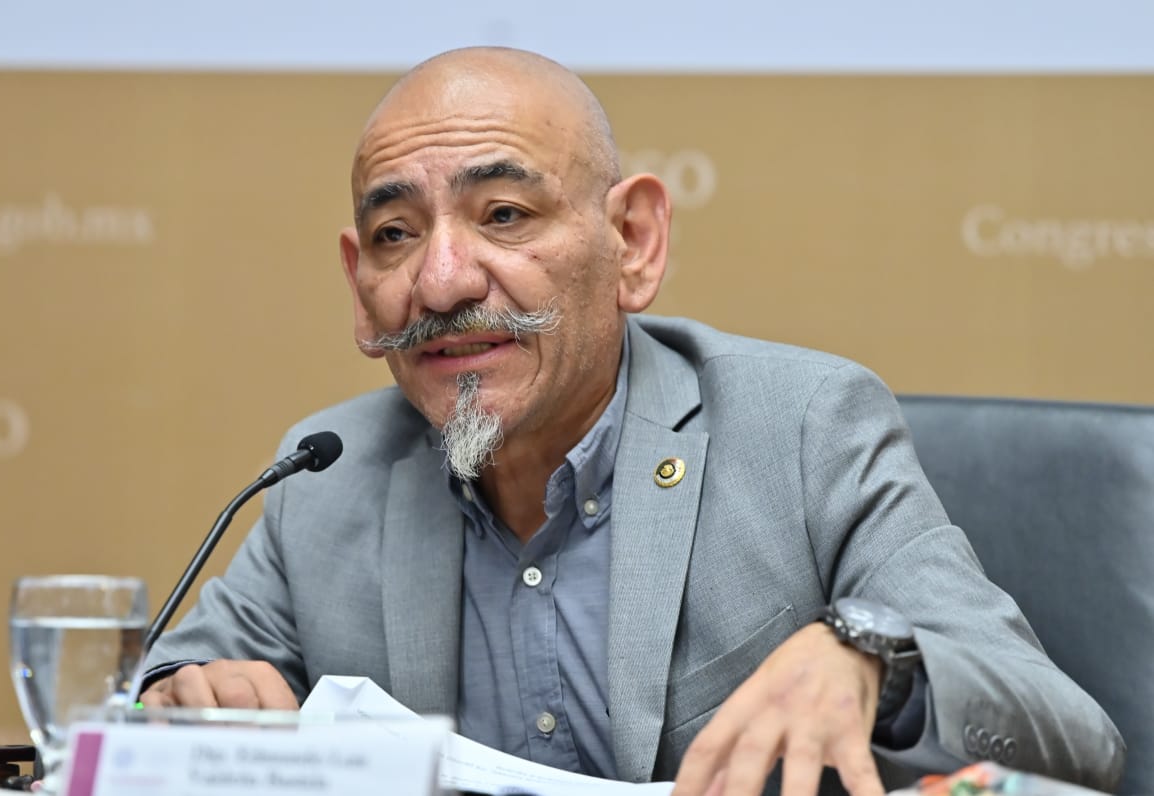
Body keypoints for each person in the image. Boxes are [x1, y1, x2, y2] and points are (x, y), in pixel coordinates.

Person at [142, 47, 1123, 795]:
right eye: (396, 235)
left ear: (634, 243)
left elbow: (1074, 737)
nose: (441, 282)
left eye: (504, 215)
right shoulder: (329, 474)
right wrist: (182, 697)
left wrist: (879, 668)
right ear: (362, 288)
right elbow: (177, 680)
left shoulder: (803, 429)